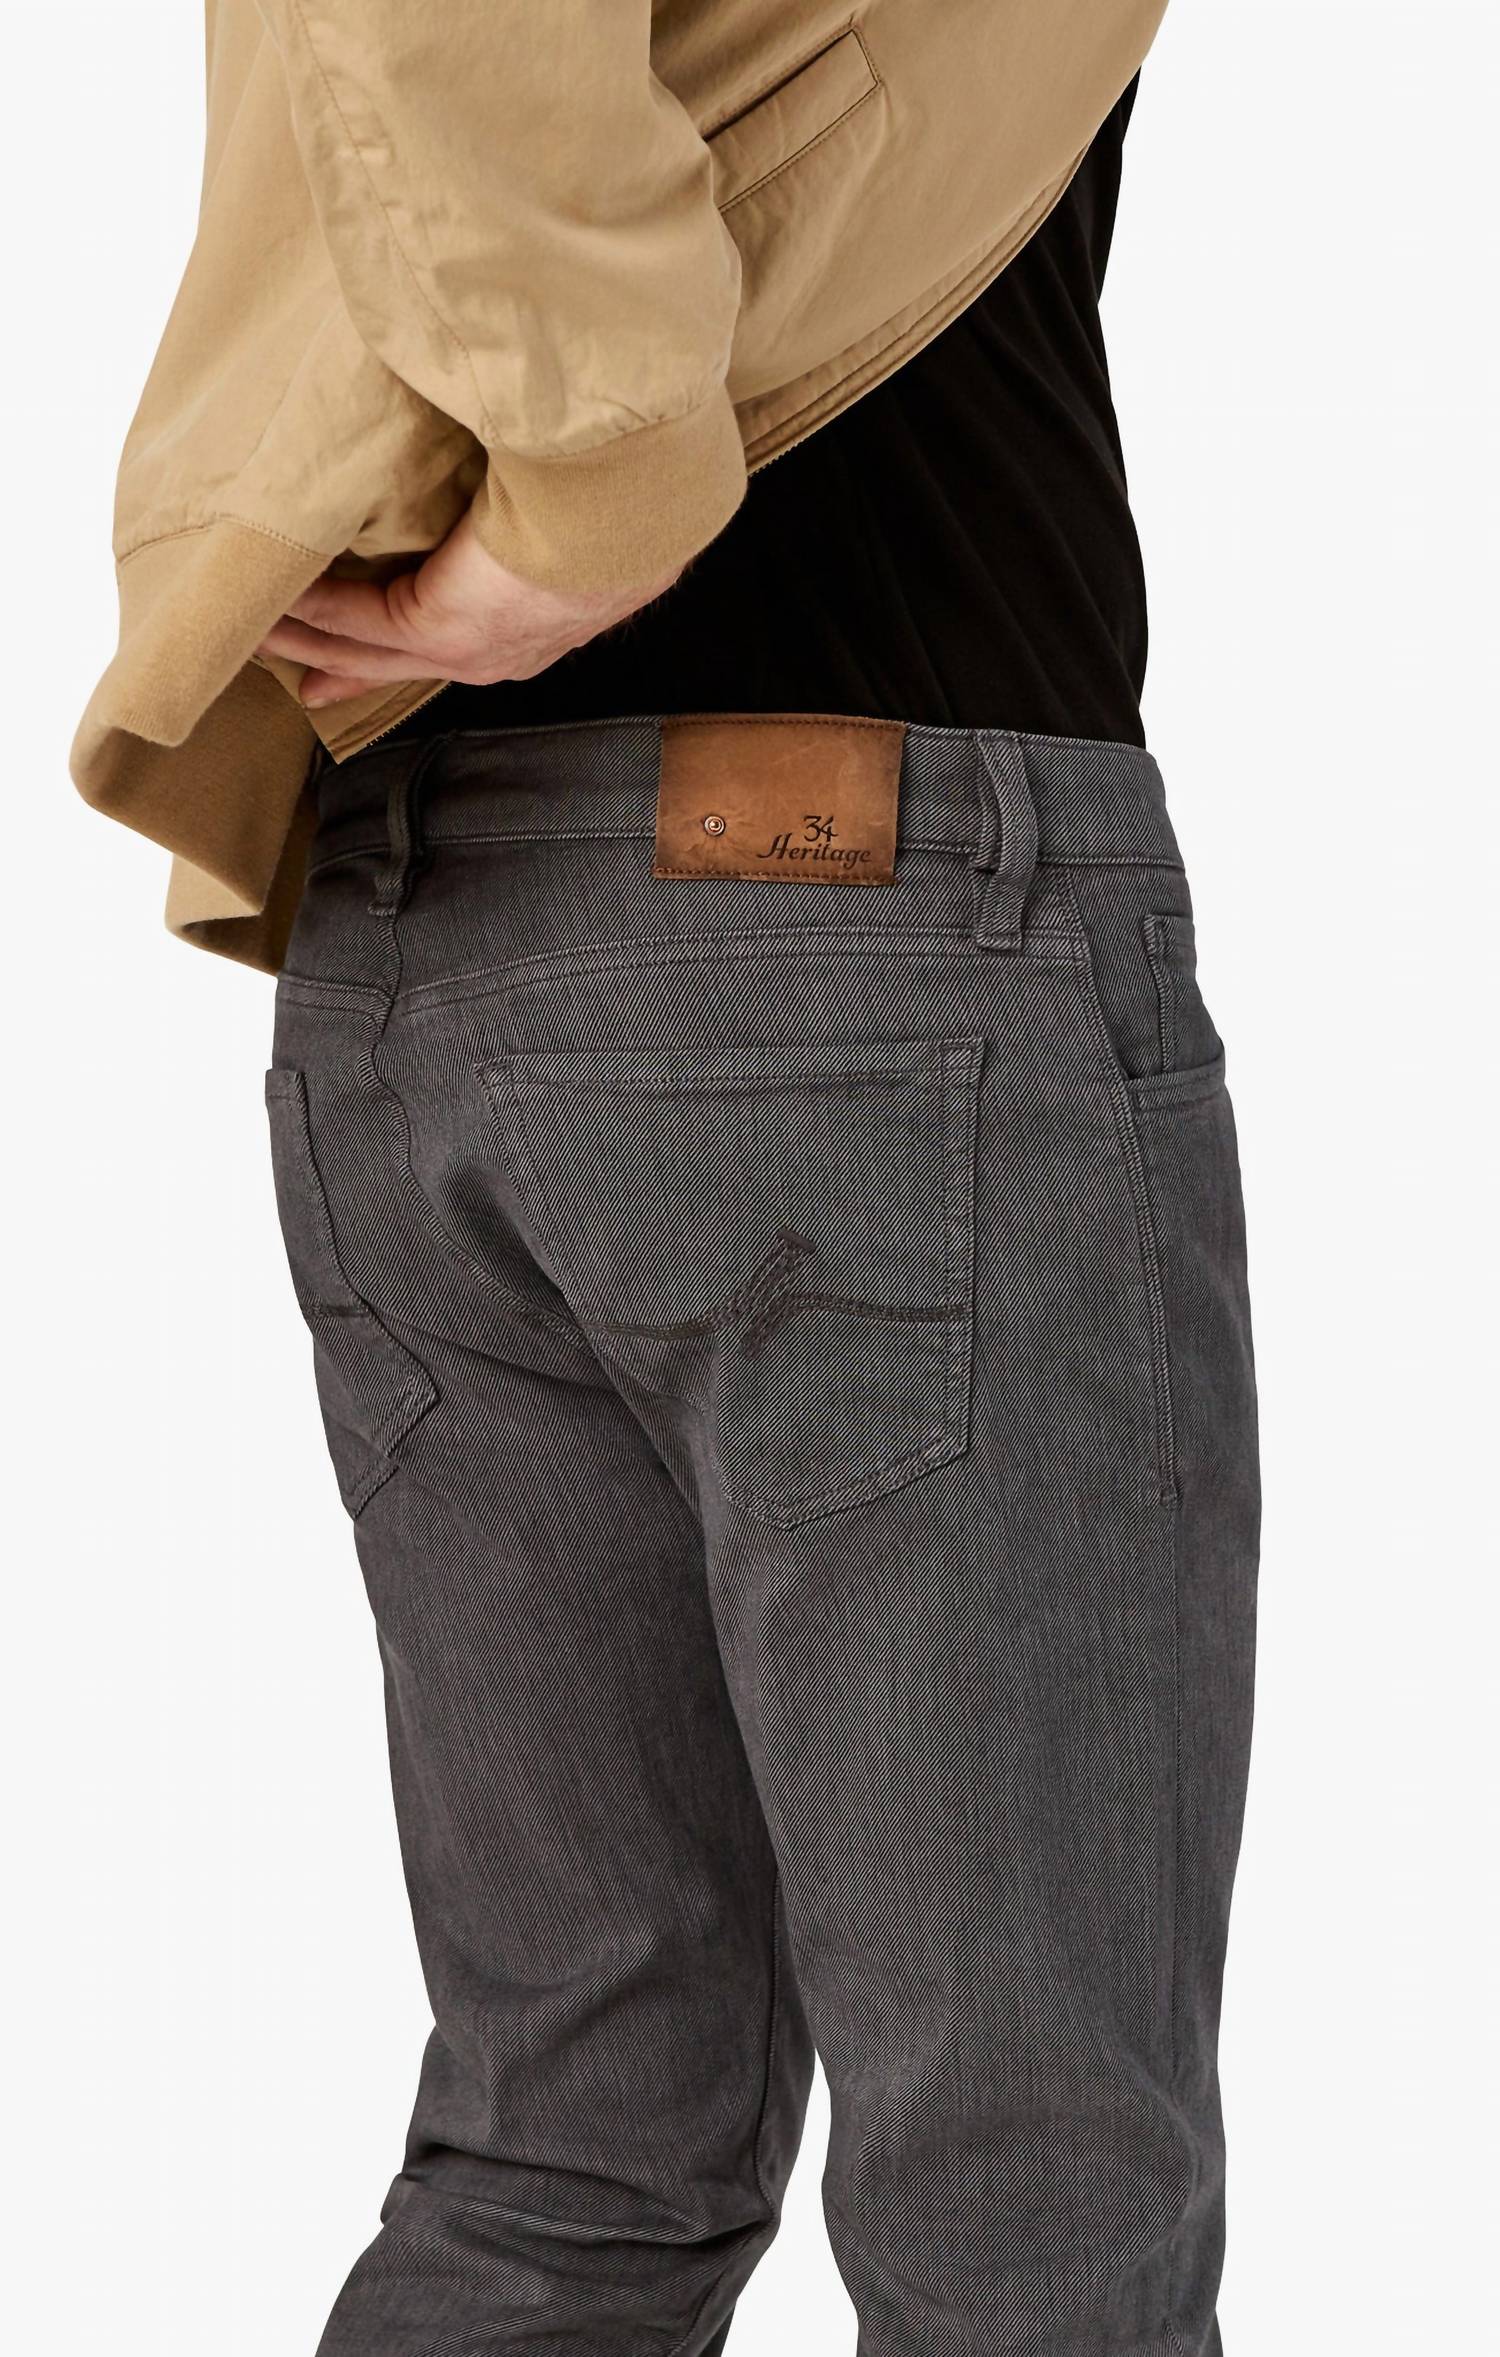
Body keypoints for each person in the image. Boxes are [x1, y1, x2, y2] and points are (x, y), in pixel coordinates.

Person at [75, 6, 1258, 2351]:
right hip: (856, 935)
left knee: (577, 2152)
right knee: (1031, 2202)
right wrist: (593, 495)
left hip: (436, 928)